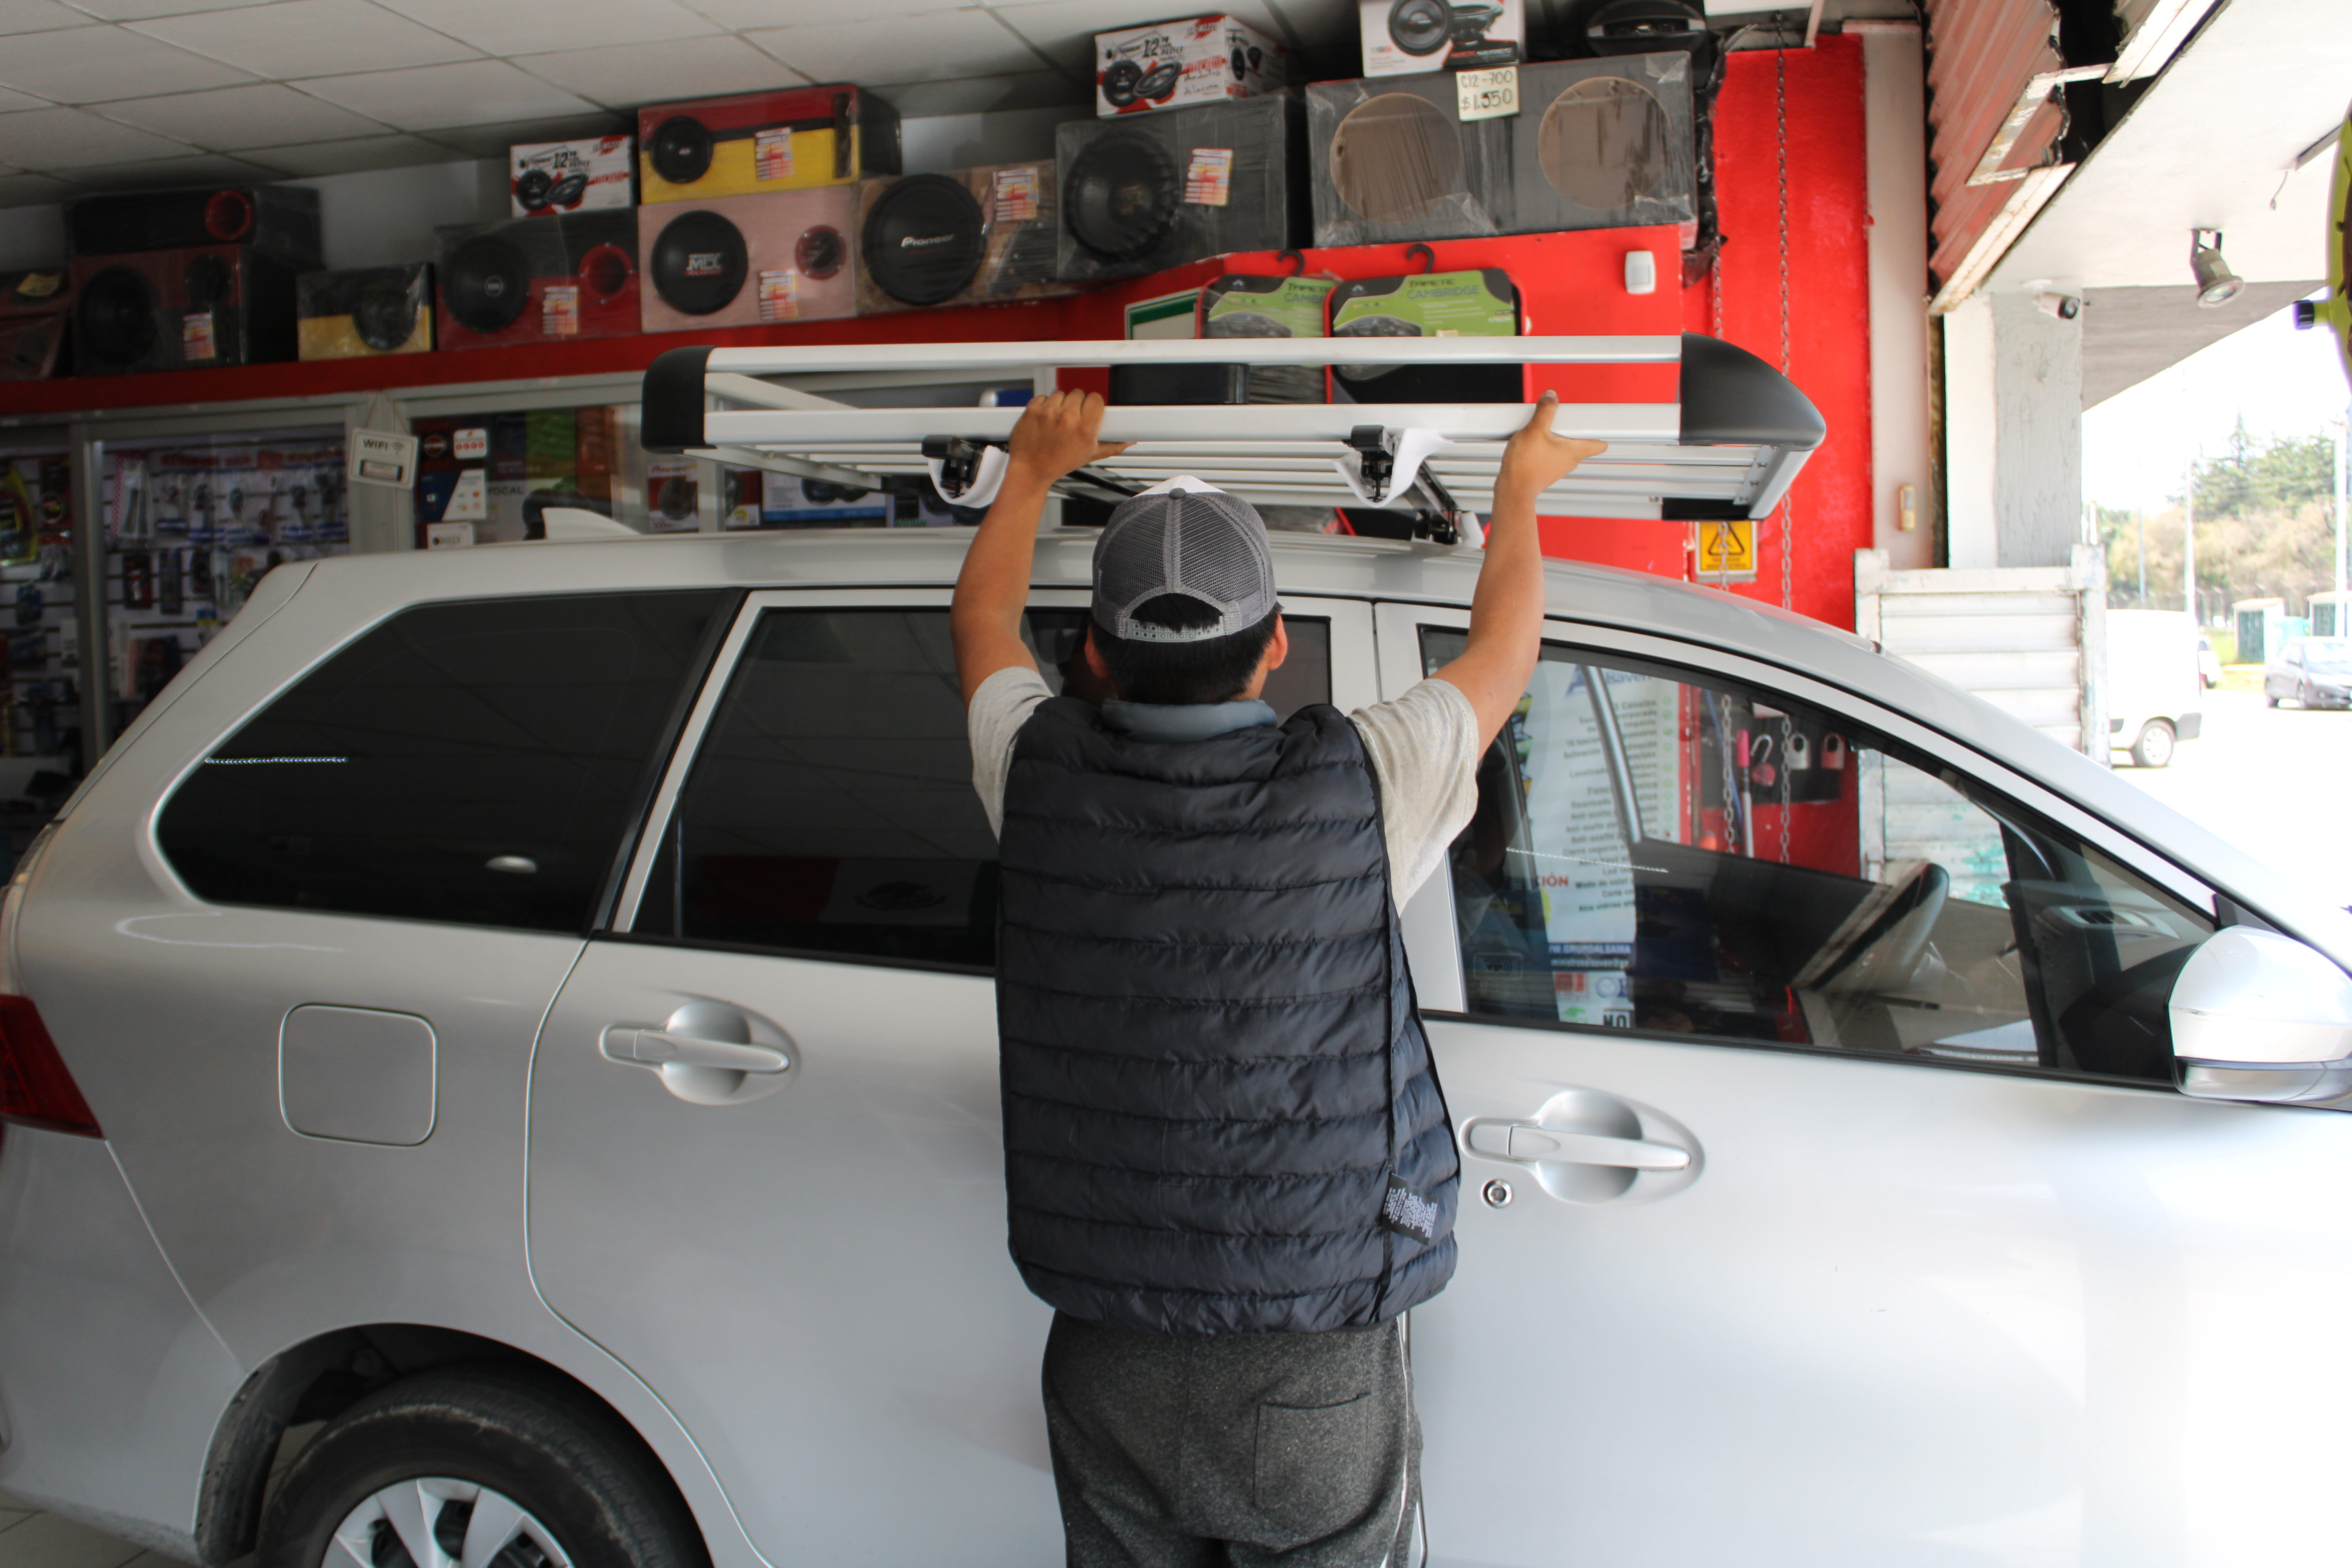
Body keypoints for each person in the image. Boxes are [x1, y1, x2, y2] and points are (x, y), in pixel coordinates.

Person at [952, 389, 1604, 1568]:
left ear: (1094, 653)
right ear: (1276, 645)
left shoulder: (1037, 776)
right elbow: (1506, 651)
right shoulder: (1365, 785)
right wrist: (1518, 491)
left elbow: (979, 624)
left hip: (1103, 1347)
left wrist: (1031, 470)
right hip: (1310, 1355)